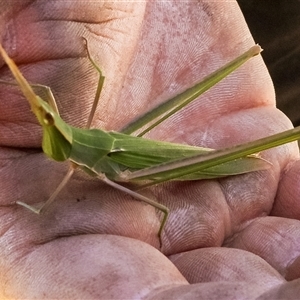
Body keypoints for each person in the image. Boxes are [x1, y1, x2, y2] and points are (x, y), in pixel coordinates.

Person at [1, 1, 300, 298]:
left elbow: (162, 207)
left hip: (139, 169)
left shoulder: (77, 156)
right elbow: (47, 93)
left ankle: (249, 78)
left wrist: (38, 207)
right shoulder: (68, 133)